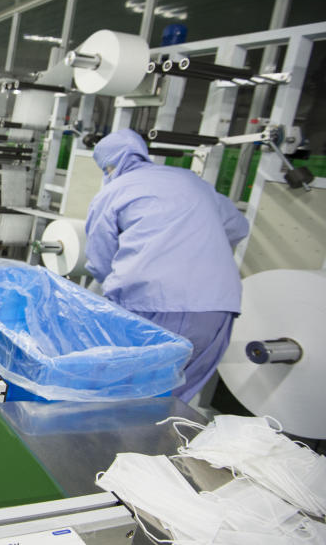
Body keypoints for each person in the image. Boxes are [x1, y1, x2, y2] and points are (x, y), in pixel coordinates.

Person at [84, 129, 249, 402]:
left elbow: (101, 260)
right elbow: (238, 227)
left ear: (110, 166)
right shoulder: (191, 181)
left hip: (151, 304)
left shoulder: (114, 191)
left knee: (121, 395)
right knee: (172, 401)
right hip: (217, 307)